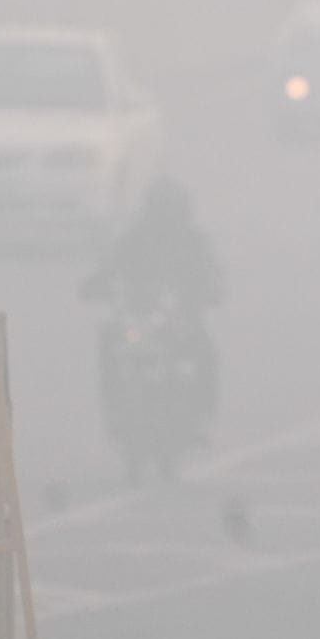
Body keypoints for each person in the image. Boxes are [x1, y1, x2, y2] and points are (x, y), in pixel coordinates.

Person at [81, 177, 224, 463]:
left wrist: (211, 291)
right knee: (110, 340)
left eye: (170, 208)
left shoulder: (194, 240)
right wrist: (95, 285)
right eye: (161, 208)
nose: (166, 215)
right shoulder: (135, 238)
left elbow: (213, 273)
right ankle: (116, 405)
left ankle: (199, 411)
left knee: (204, 351)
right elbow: (110, 266)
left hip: (182, 318)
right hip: (139, 316)